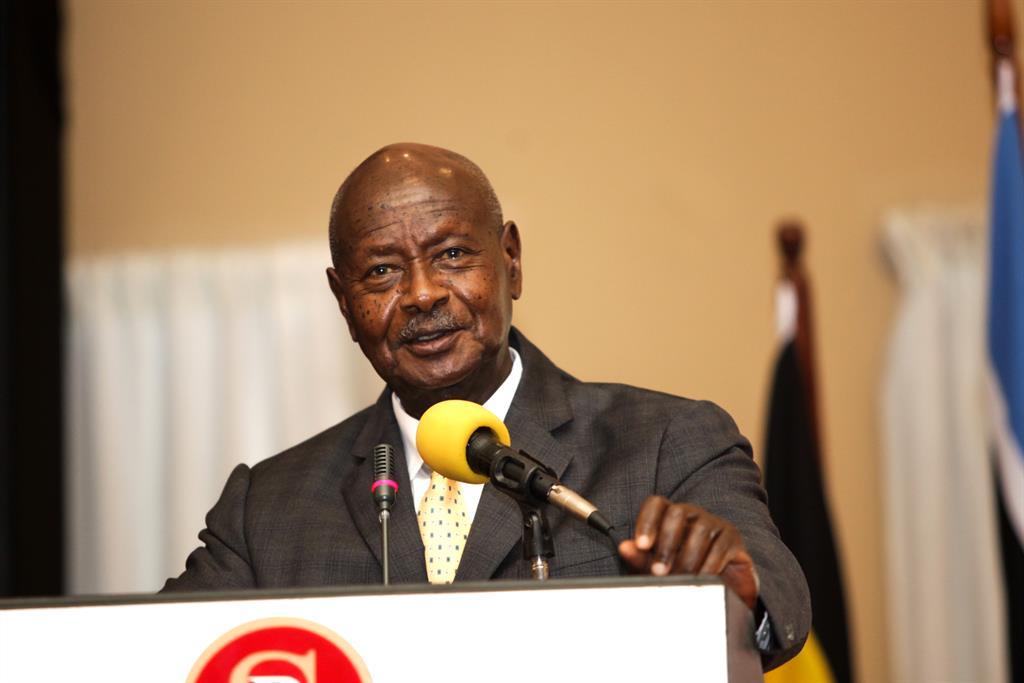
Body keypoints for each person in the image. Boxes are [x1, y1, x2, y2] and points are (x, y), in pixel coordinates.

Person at [163, 142, 810, 670]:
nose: (421, 294)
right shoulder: (267, 508)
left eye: (451, 255)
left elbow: (777, 595)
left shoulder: (666, 441)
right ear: (342, 300)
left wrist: (736, 584)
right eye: (382, 271)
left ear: (511, 260)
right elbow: (156, 652)